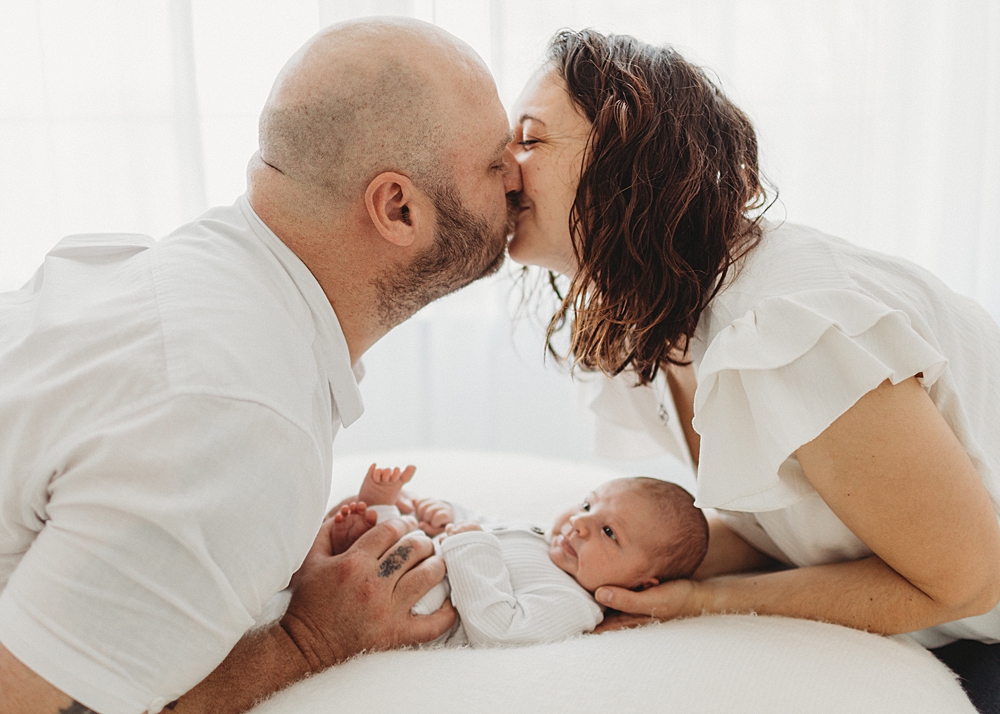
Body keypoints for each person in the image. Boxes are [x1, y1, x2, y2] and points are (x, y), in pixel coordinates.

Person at [0, 17, 520, 714]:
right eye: (495, 162)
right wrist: (307, 640)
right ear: (398, 208)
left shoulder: (209, 284)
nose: (520, 175)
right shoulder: (239, 416)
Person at [505, 28, 1000, 713]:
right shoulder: (648, 321)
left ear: (623, 157)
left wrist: (704, 602)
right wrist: (637, 560)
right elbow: (794, 522)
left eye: (529, 139)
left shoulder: (791, 324)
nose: (502, 166)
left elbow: (970, 583)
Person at [323, 462, 708, 646]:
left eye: (608, 533)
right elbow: (488, 527)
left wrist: (468, 544)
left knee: (415, 570)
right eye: (588, 506)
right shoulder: (547, 540)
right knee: (415, 533)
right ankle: (378, 519)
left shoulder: (572, 603)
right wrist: (448, 516)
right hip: (436, 561)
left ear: (641, 584)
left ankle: (372, 530)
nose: (579, 523)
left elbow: (501, 632)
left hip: (426, 615)